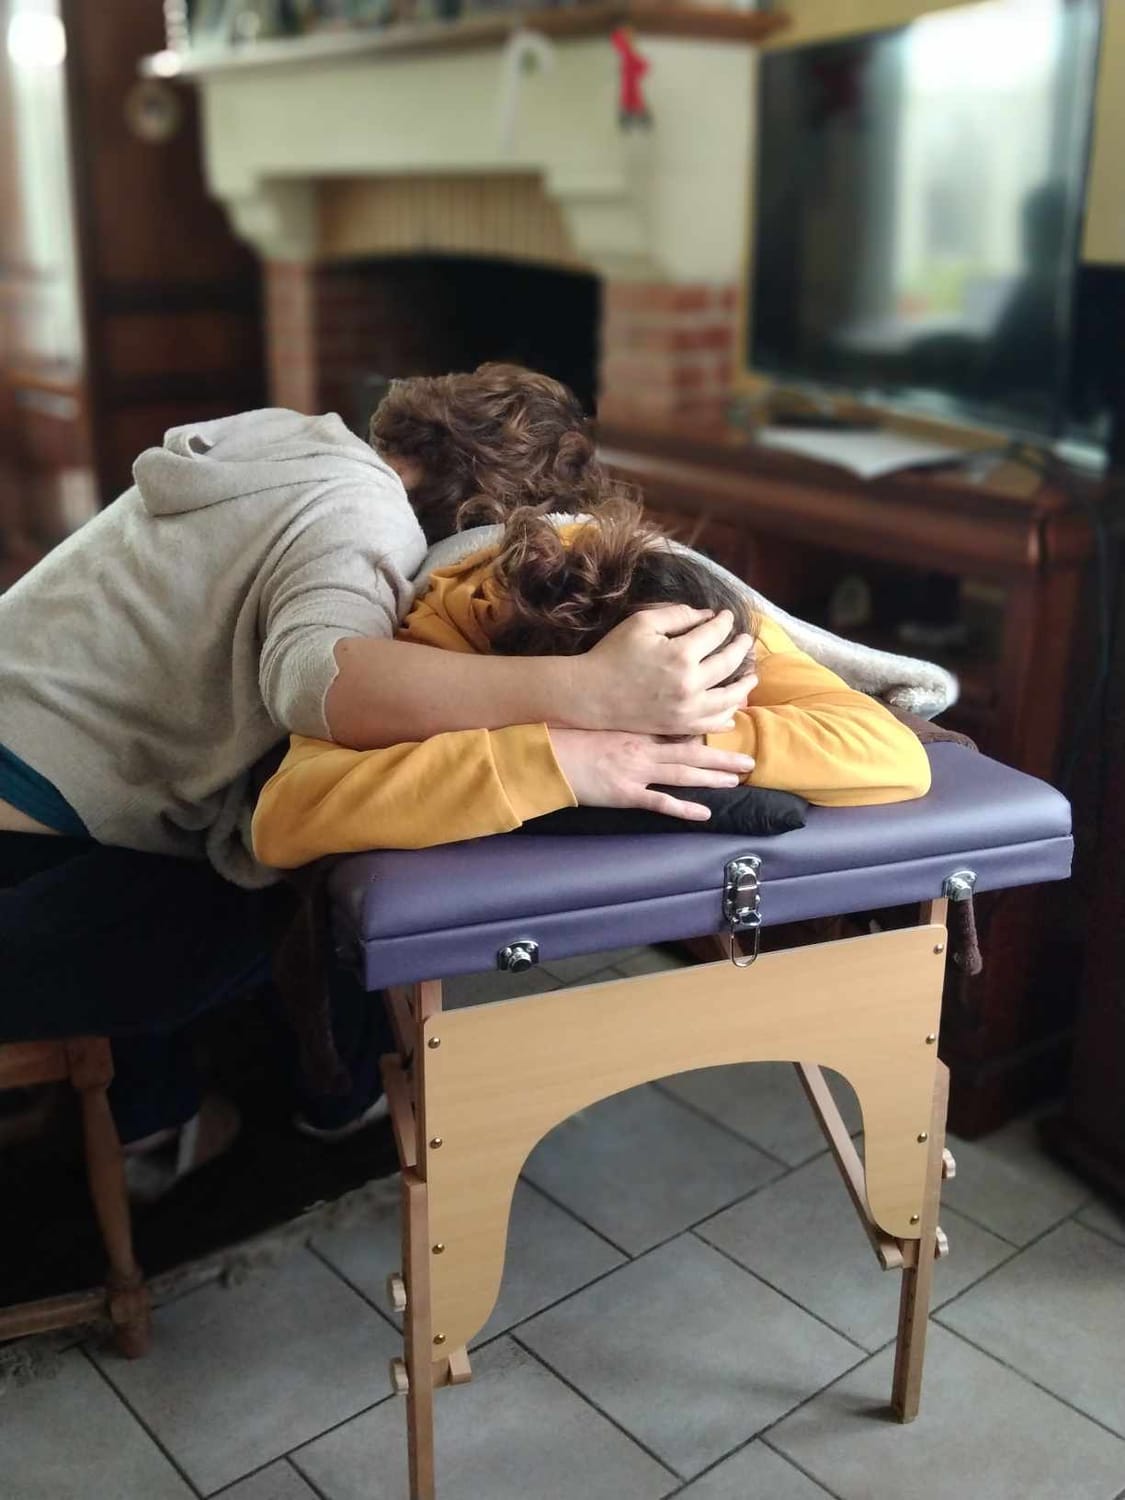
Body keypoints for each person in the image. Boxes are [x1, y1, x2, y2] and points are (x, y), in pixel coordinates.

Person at [0, 366, 755, 1197]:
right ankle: (316, 1104)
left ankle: (159, 1108)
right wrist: (589, 692)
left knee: (255, 828)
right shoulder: (366, 512)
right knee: (312, 882)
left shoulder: (293, 448)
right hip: (31, 854)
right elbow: (319, 680)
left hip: (40, 780)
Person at [252, 498, 931, 867]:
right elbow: (285, 816)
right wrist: (555, 758)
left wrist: (682, 742)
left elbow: (894, 755)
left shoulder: (701, 616)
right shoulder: (439, 637)